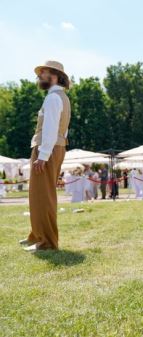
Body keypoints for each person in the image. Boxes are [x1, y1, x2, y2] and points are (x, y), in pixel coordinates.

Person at [20, 60, 71, 252]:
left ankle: (46, 242)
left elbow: (50, 129)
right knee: (40, 195)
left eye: (43, 73)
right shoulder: (60, 97)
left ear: (55, 75)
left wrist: (42, 156)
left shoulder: (53, 98)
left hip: (47, 149)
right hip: (53, 148)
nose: (39, 76)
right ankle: (37, 235)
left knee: (43, 197)